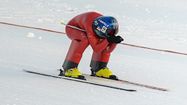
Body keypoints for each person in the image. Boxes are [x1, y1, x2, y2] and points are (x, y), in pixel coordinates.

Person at [59, 11, 124, 80]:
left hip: (88, 26)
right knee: (84, 39)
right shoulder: (90, 28)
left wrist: (114, 42)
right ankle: (69, 68)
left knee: (103, 40)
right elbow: (96, 49)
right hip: (73, 28)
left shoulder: (104, 25)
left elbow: (107, 49)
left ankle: (99, 67)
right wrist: (108, 40)